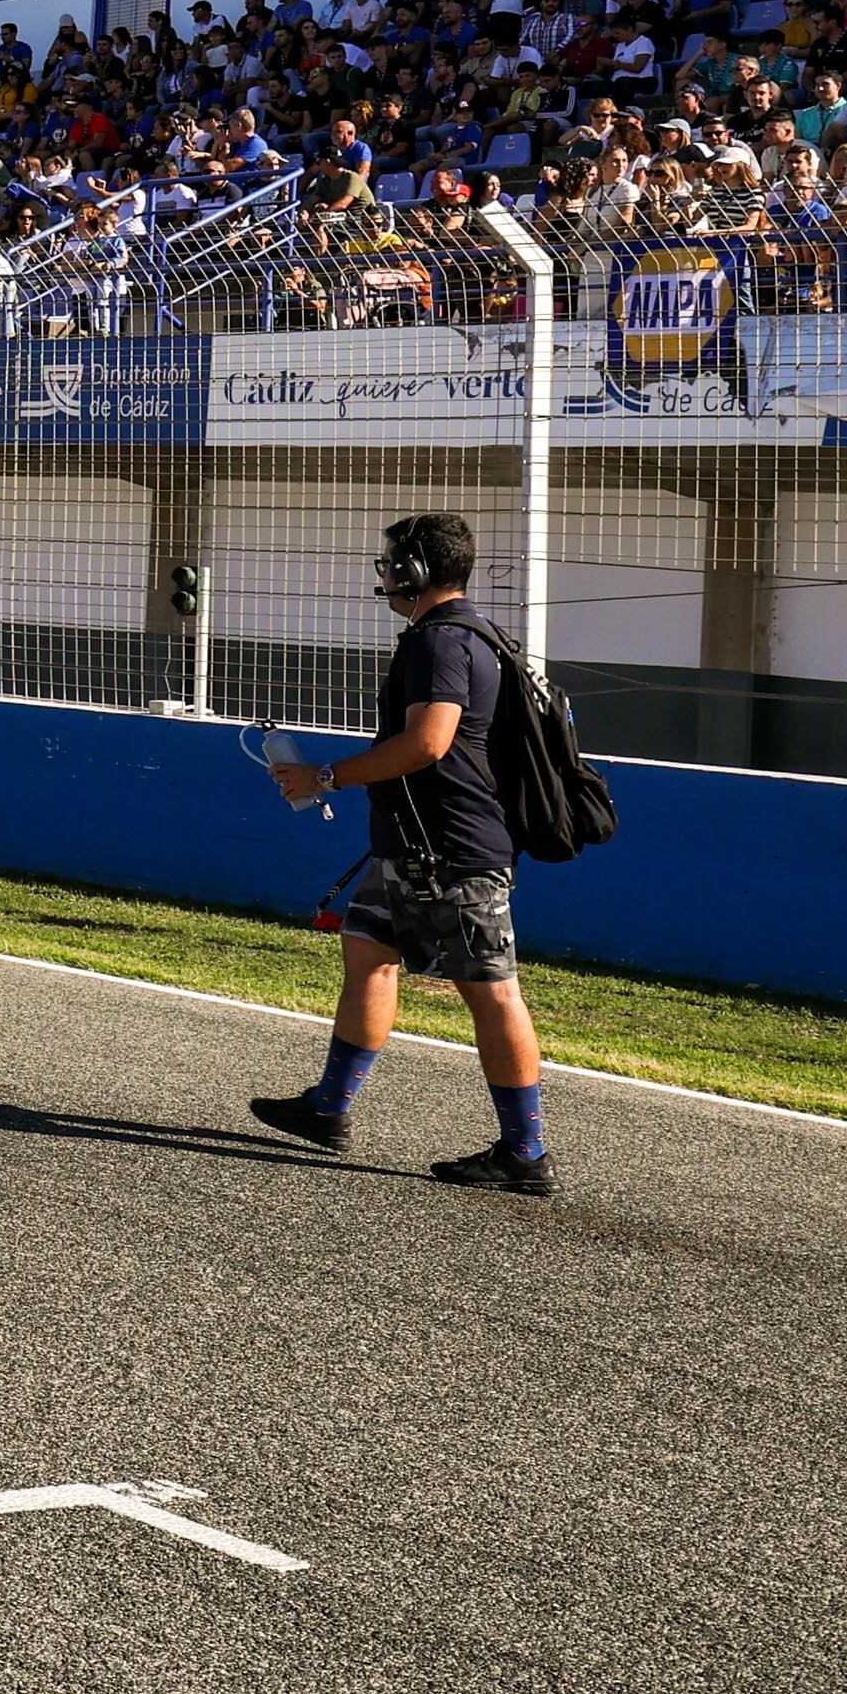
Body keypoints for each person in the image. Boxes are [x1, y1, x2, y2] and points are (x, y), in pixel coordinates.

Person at [249, 511, 558, 1194]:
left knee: (492, 991)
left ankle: (526, 1154)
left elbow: (429, 743)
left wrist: (326, 776)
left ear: (418, 570)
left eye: (393, 563)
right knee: (368, 954)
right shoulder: (465, 636)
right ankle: (329, 1108)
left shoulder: (441, 643)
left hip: (451, 852)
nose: (385, 575)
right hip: (412, 848)